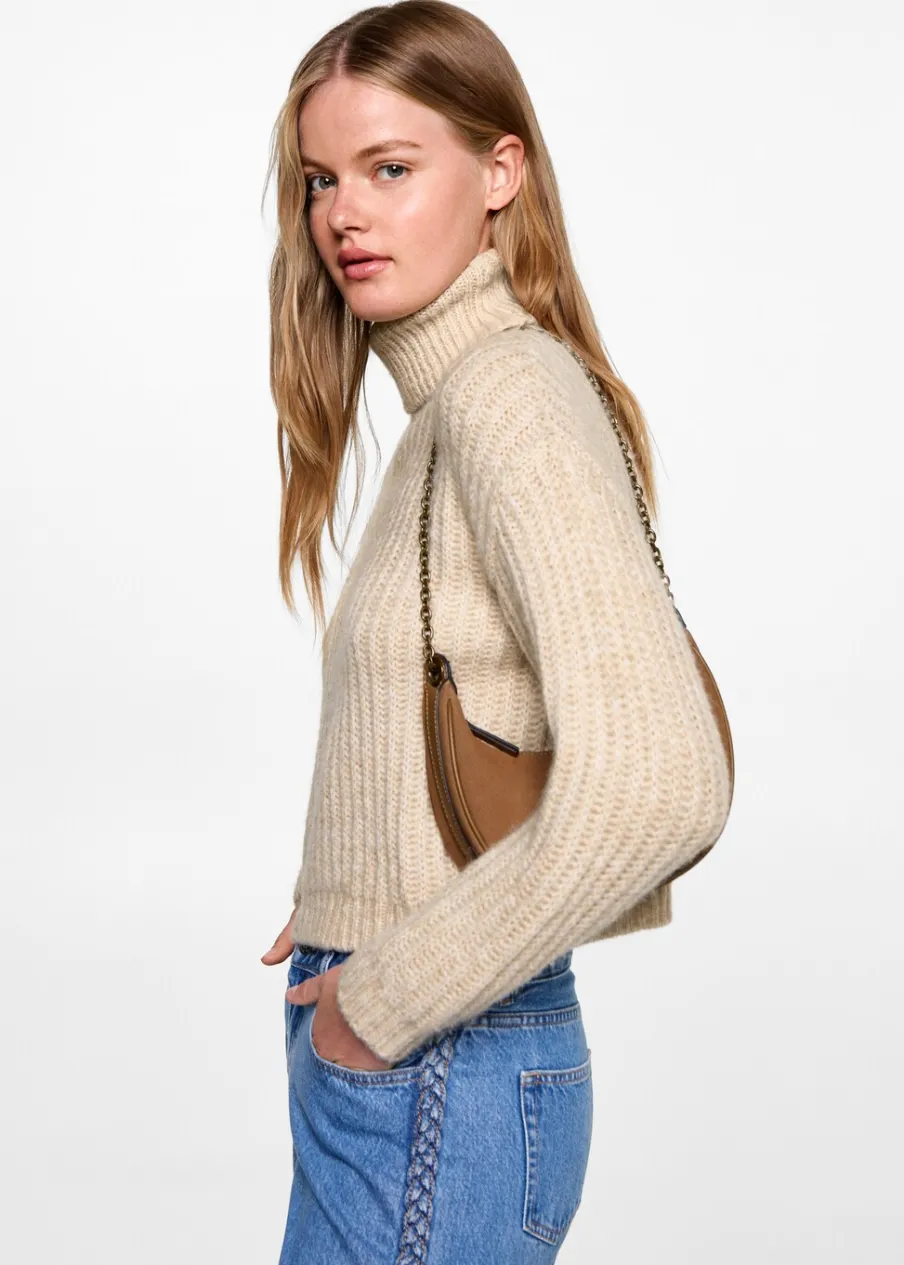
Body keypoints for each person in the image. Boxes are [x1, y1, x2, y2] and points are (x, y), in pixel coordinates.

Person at [259, 3, 733, 1261]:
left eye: (390, 168)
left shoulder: (508, 398)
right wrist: (351, 886)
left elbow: (663, 783)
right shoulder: (448, 409)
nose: (342, 215)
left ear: (499, 172)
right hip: (423, 1057)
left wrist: (383, 991)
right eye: (321, 179)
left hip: (436, 1059)